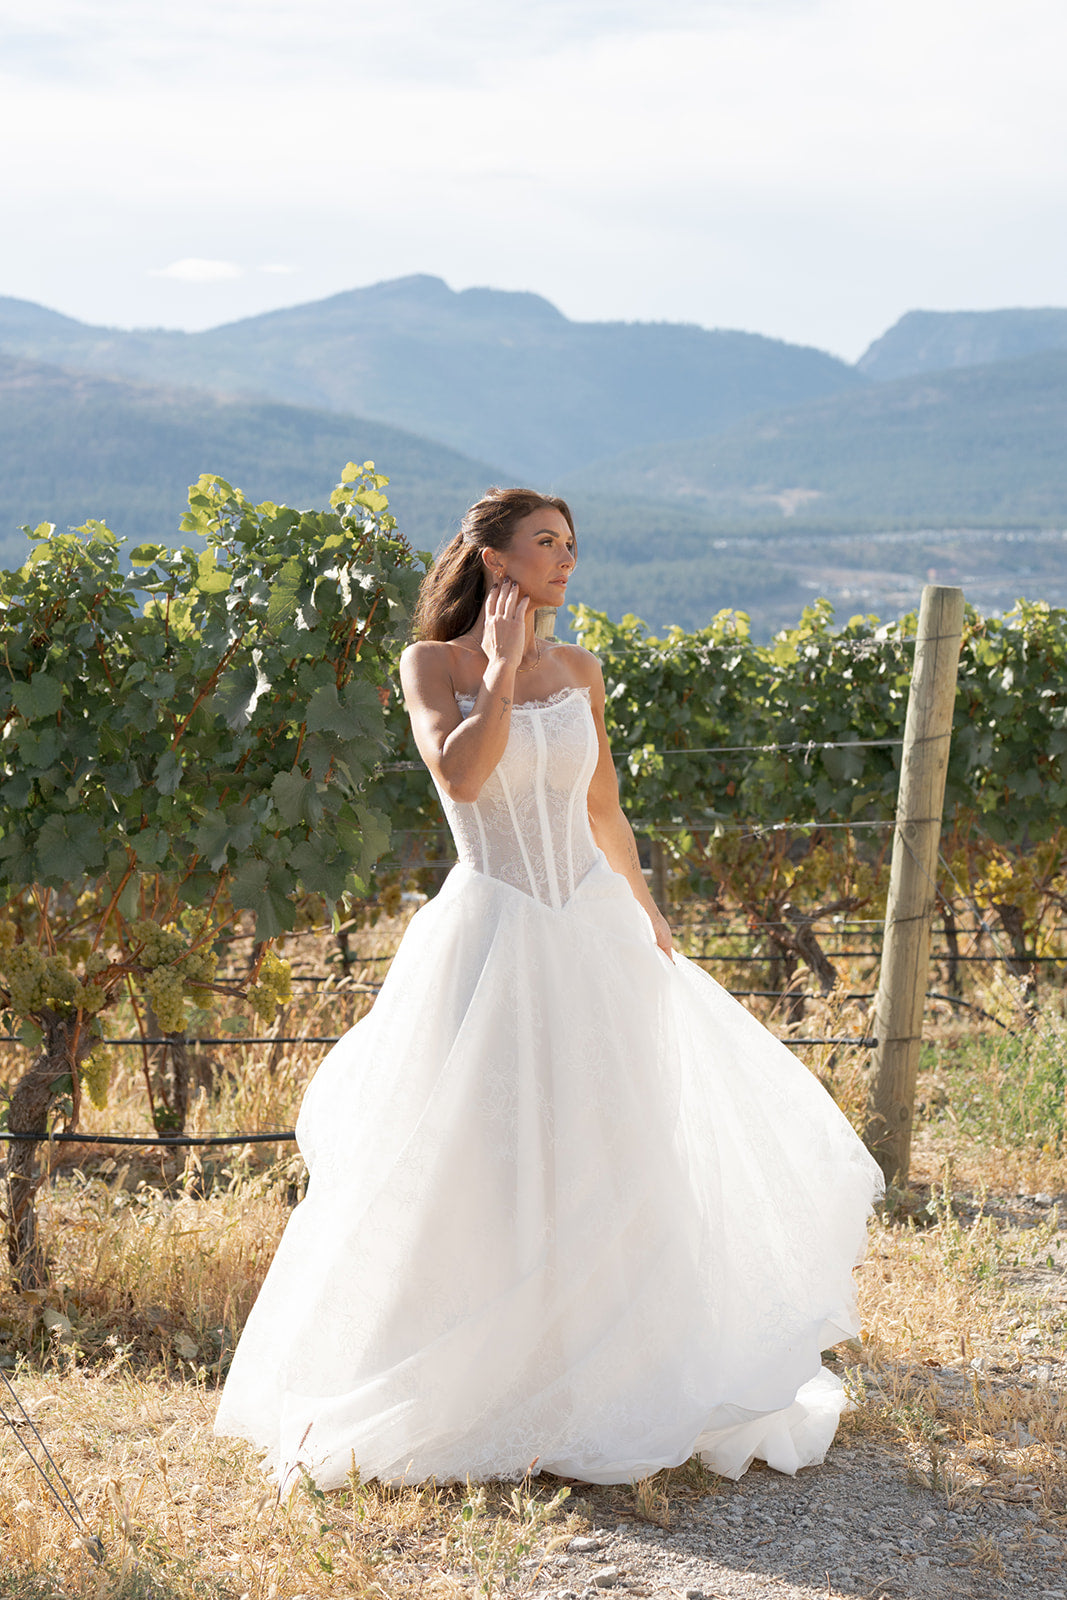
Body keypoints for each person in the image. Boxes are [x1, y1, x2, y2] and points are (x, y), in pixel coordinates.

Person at [214, 487, 884, 1492]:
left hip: (592, 932)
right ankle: (484, 1377)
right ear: (494, 559)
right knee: (485, 1157)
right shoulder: (431, 666)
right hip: (491, 938)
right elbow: (466, 779)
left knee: (613, 1144)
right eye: (545, 543)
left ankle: (608, 1377)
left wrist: (646, 908)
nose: (566, 560)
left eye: (572, 543)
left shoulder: (579, 669)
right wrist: (489, 673)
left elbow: (601, 803)